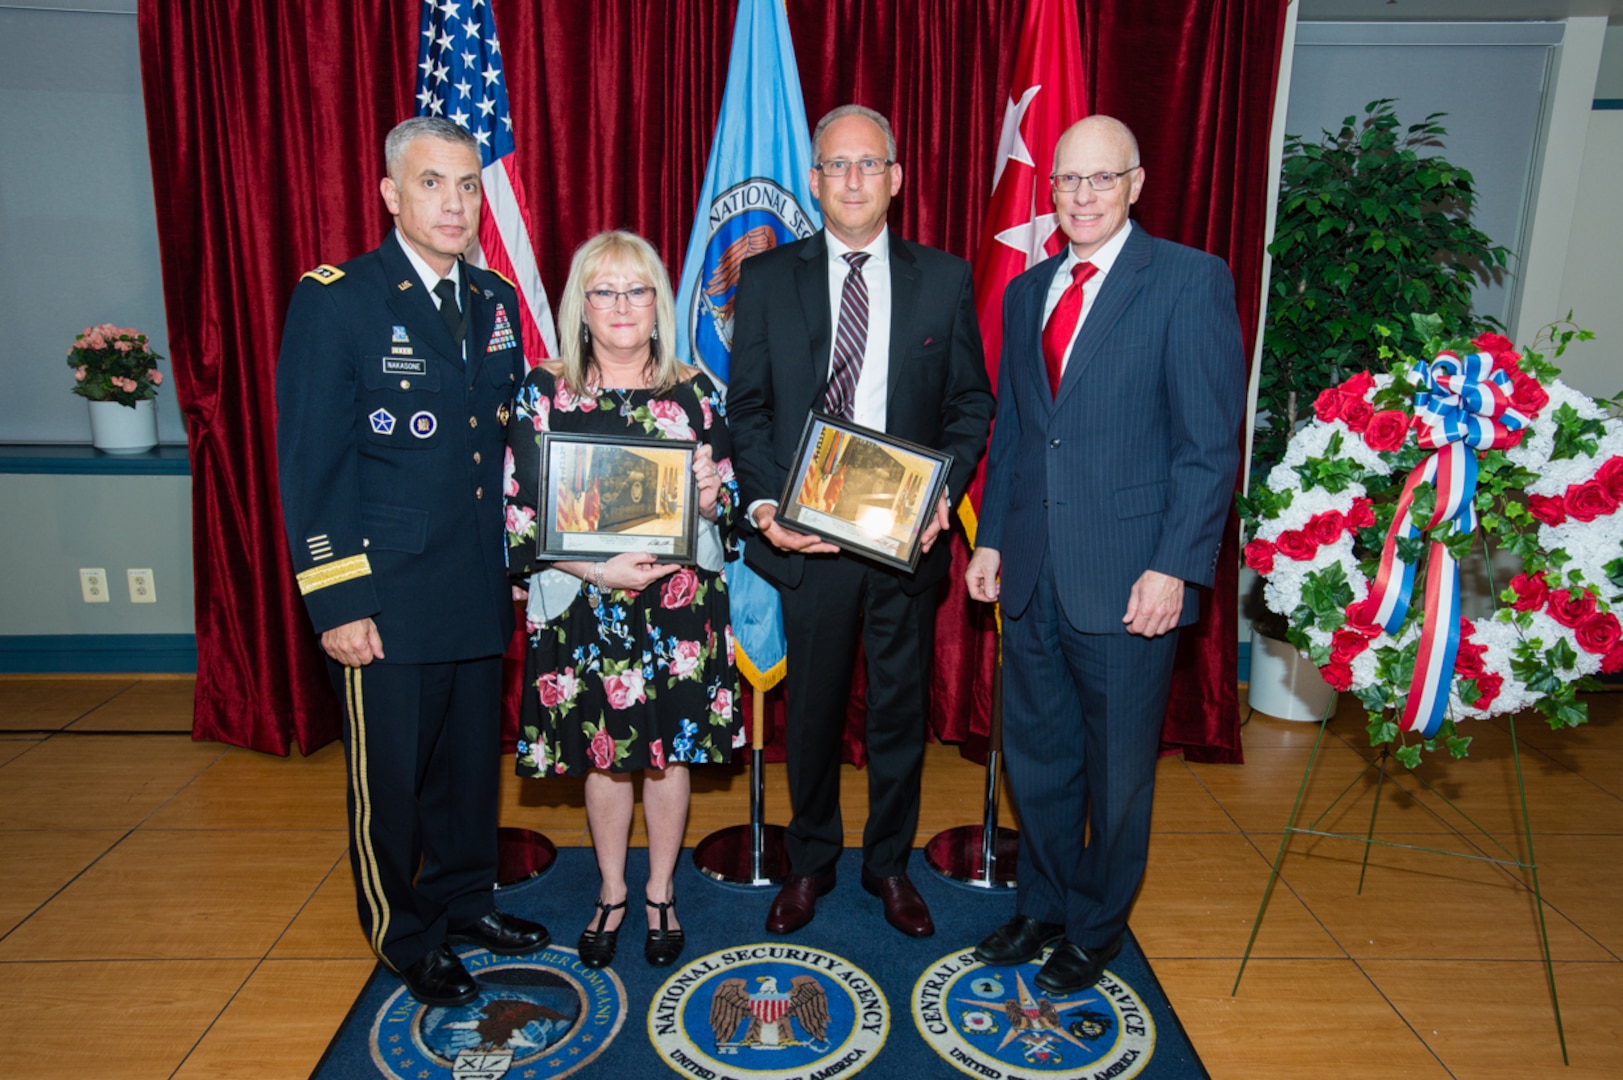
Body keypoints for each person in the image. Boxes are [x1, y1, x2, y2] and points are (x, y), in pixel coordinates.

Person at [966, 116, 1245, 995]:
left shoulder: (1189, 281)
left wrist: (1177, 565)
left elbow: (1209, 445)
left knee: (1119, 774)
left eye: (1099, 179)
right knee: (1039, 759)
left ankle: (1095, 927)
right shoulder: (1027, 291)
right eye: (1066, 181)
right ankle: (1042, 906)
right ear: (1048, 189)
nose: (1080, 196)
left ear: (1135, 183)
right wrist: (993, 540)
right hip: (1033, 571)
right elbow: (1016, 432)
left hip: (1133, 579)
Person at [275, 116, 549, 1008]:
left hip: (472, 580)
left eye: (468, 183)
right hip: (383, 594)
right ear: (391, 194)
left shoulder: (498, 301)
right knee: (389, 781)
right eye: (433, 183)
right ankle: (402, 934)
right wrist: (336, 598)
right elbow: (312, 463)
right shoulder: (340, 299)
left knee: (470, 767)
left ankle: (466, 901)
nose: (456, 202)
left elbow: (516, 441)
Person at [729, 105, 994, 938]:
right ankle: (810, 864)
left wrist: (939, 500)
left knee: (896, 714)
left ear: (895, 178)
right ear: (813, 180)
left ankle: (887, 866)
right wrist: (769, 508)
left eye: (868, 164)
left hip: (900, 541)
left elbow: (969, 403)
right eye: (836, 165)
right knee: (807, 715)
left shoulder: (943, 279)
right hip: (803, 541)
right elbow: (748, 412)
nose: (851, 180)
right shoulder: (767, 279)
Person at [503, 230, 740, 970]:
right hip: (585, 603)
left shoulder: (696, 391)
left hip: (677, 609)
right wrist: (597, 571)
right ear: (581, 304)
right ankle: (610, 889)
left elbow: (730, 512)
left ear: (657, 304)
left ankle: (659, 891)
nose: (621, 306)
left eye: (637, 290)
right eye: (604, 291)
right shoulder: (543, 392)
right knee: (604, 759)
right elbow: (520, 514)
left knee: (667, 758)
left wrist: (710, 496)